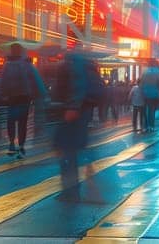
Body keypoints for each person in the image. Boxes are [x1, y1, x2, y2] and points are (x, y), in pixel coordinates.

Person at [53, 48, 101, 202]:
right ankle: (73, 189)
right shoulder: (85, 64)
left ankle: (71, 191)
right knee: (71, 148)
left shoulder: (74, 63)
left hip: (72, 110)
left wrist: (73, 107)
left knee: (65, 149)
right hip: (80, 110)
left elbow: (78, 86)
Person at [0, 44, 47, 158]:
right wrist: (39, 95)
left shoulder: (7, 65)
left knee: (10, 121)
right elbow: (36, 80)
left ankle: (11, 144)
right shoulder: (27, 65)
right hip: (25, 98)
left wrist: (3, 95)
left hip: (11, 98)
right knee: (22, 123)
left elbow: (3, 81)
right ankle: (21, 147)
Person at [135, 65, 158, 133]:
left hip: (145, 96)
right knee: (152, 112)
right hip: (153, 96)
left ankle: (146, 127)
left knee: (145, 112)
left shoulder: (144, 75)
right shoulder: (156, 74)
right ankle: (152, 126)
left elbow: (141, 86)